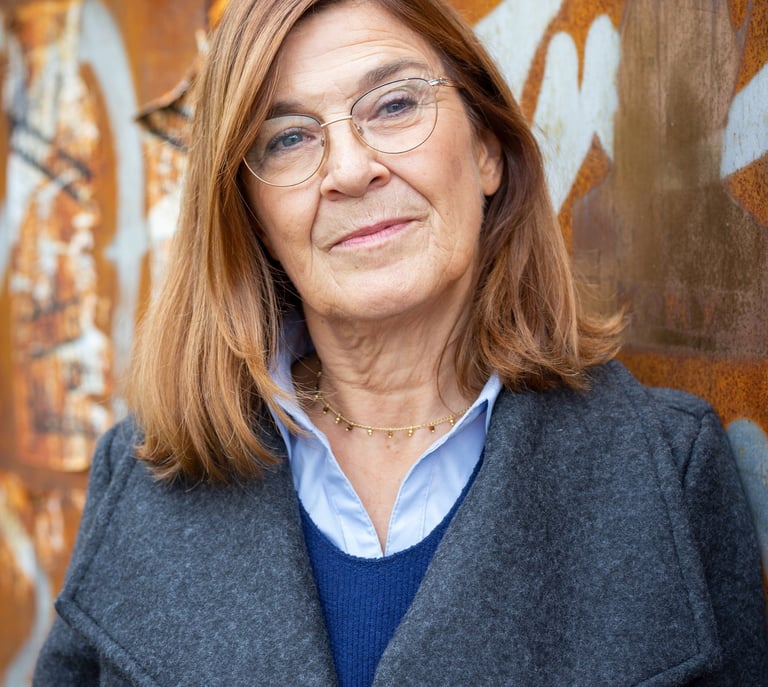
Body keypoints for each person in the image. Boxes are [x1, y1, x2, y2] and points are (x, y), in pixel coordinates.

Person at [34, 0, 768, 685]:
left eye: (394, 105)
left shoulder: (668, 471)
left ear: (488, 148)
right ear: (251, 214)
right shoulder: (143, 479)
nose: (352, 171)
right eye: (288, 138)